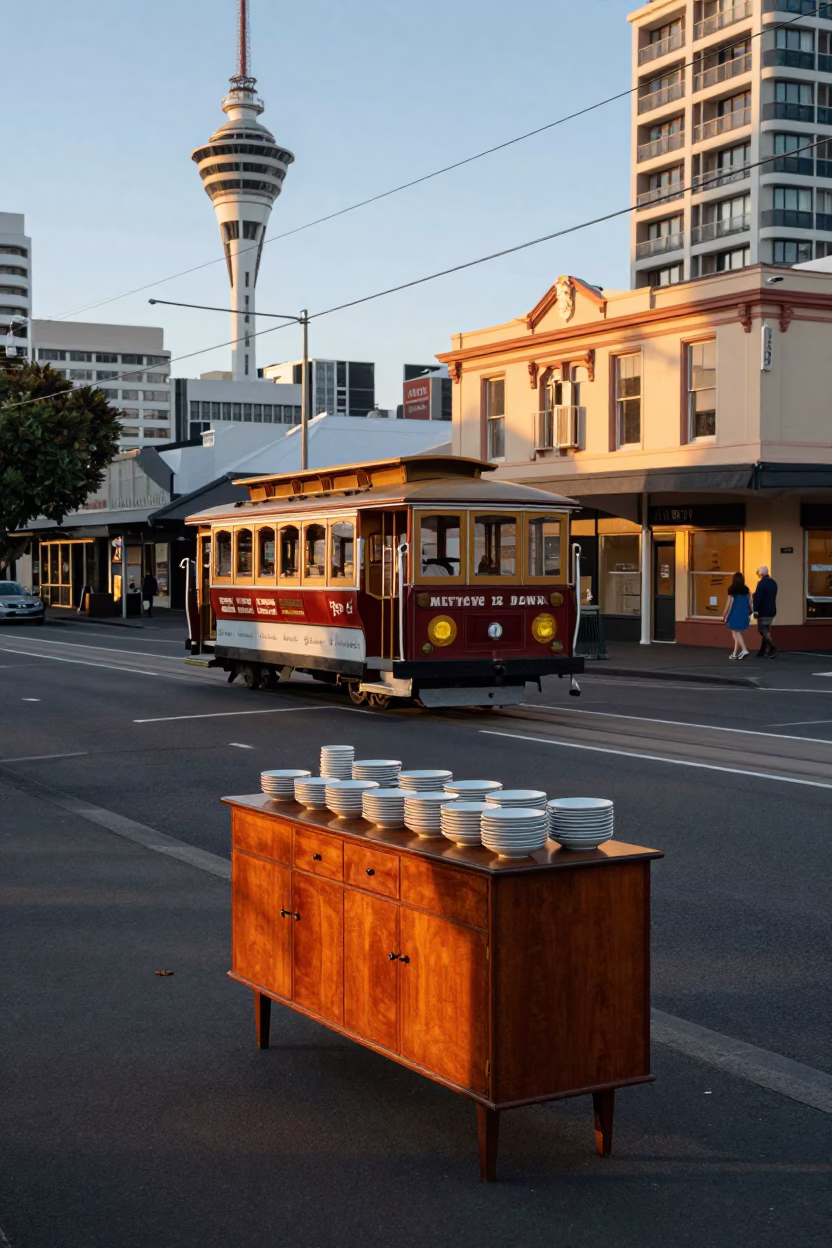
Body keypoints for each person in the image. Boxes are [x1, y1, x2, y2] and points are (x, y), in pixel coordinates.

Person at [723, 571, 752, 660]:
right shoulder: (746, 589)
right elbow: (750, 601)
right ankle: (735, 653)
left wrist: (725, 613)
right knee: (736, 633)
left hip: (735, 613)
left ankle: (744, 649)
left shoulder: (732, 589)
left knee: (736, 631)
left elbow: (729, 603)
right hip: (744, 612)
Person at [752, 565, 778, 658]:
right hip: (772, 610)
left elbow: (758, 598)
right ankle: (762, 651)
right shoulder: (773, 582)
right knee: (766, 629)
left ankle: (772, 647)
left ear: (761, 573)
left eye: (758, 573)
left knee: (762, 630)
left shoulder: (761, 583)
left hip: (763, 610)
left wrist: (755, 610)